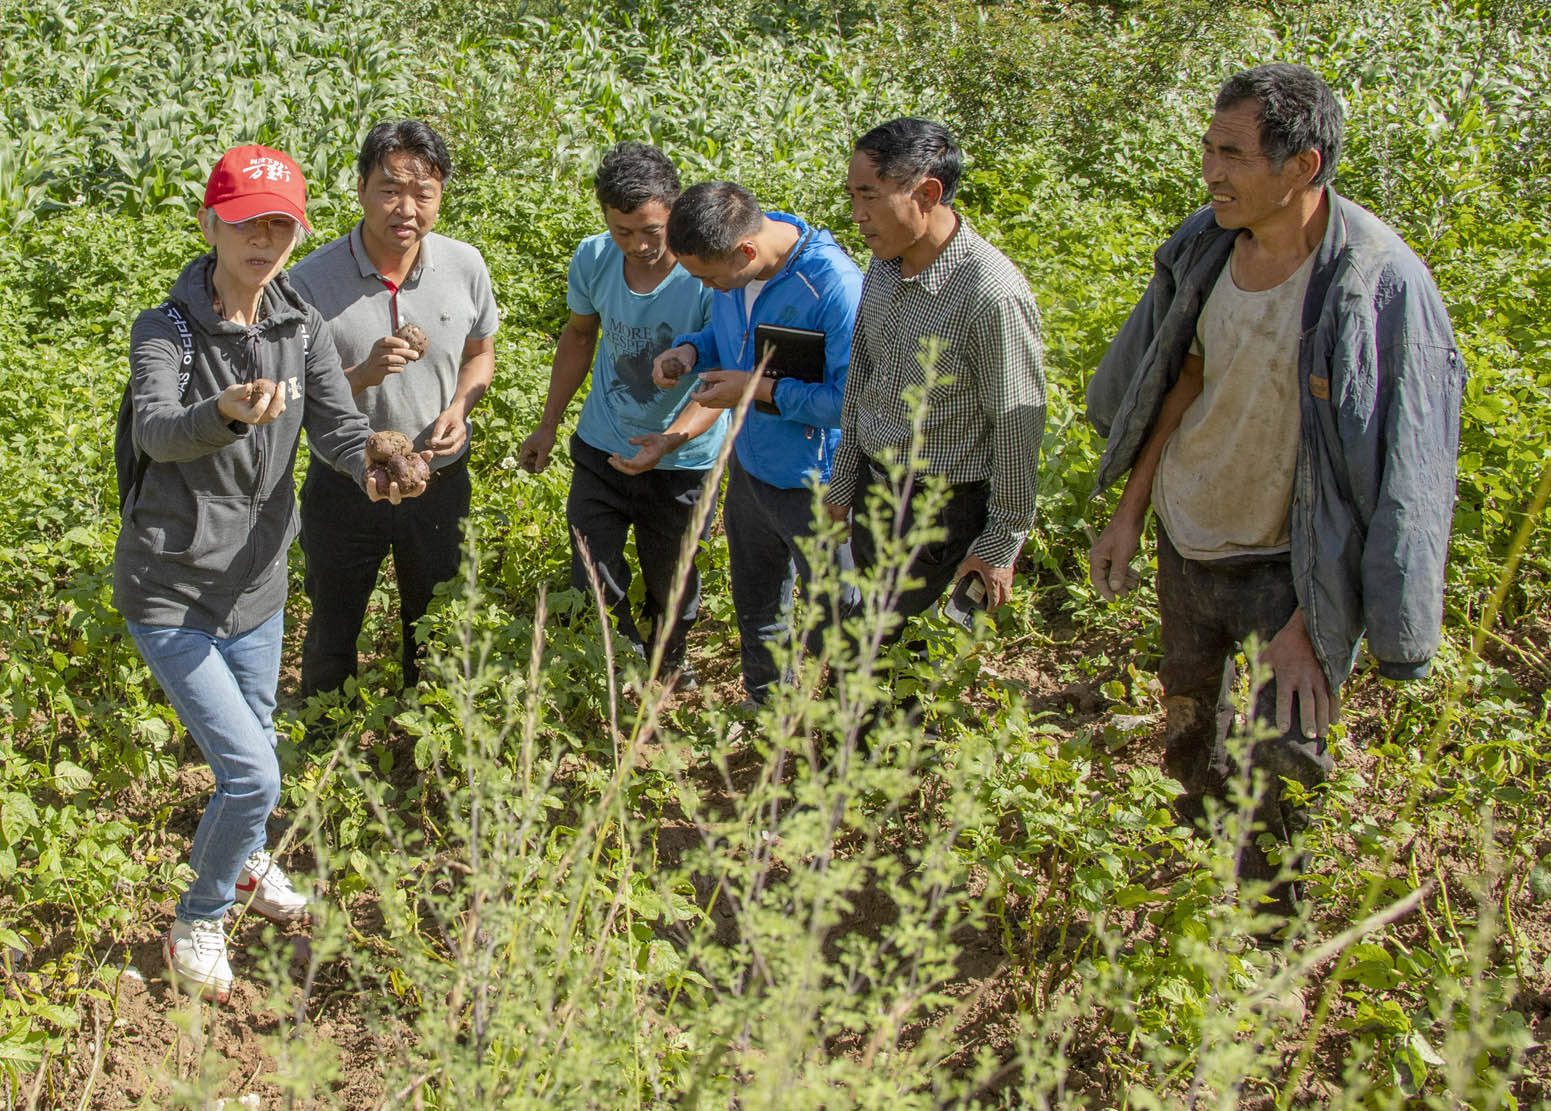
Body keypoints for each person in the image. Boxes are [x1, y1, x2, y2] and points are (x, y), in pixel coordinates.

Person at [1085, 64, 1463, 916]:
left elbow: (1398, 481)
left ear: (1303, 166)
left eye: (1233, 153)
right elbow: (1181, 377)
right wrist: (1131, 510)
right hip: (1190, 540)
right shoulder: (1209, 243)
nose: (1211, 171)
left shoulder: (1374, 285)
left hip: (1290, 567)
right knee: (1188, 729)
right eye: (1208, 149)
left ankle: (1268, 940)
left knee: (1286, 763)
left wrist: (1310, 622)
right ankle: (1194, 899)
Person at [114, 145, 429, 1002]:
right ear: (210, 223)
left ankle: (247, 863)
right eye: (246, 221)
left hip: (256, 583)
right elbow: (156, 430)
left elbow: (332, 424)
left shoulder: (302, 327)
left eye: (279, 225)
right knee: (255, 771)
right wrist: (222, 412)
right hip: (171, 586)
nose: (263, 238)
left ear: (296, 234)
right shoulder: (166, 328)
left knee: (253, 746)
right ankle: (199, 915)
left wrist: (374, 449)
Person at [291, 120, 499, 694]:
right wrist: (362, 373)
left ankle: (427, 739)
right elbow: (293, 397)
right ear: (360, 189)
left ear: (439, 197)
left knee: (434, 622)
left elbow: (480, 355)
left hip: (438, 477)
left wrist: (460, 406)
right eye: (389, 189)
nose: (406, 208)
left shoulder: (465, 266)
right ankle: (322, 741)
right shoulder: (309, 283)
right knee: (333, 621)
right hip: (343, 484)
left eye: (423, 192)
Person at [824, 118, 1045, 648]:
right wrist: (845, 482)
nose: (857, 216)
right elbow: (863, 380)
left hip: (939, 515)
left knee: (885, 662)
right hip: (877, 494)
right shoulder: (883, 265)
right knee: (863, 647)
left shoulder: (990, 294)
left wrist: (999, 544)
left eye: (870, 197)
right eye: (852, 197)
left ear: (927, 193)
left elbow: (1017, 424)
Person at [517, 143, 722, 685]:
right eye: (622, 231)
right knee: (593, 564)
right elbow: (580, 336)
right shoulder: (593, 258)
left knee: (670, 574)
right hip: (603, 444)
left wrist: (672, 439)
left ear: (676, 210)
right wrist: (548, 422)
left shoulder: (707, 275)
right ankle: (622, 657)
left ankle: (669, 660)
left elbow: (721, 383)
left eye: (652, 230)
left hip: (682, 461)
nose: (639, 245)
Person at [651, 182, 863, 705]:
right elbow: (729, 338)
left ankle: (854, 720)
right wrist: (688, 351)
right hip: (750, 463)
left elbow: (851, 402)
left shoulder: (833, 287)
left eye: (709, 278)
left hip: (817, 481)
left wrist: (758, 388)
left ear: (745, 251)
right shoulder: (737, 272)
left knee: (835, 614)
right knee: (757, 594)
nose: (709, 289)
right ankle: (767, 701)